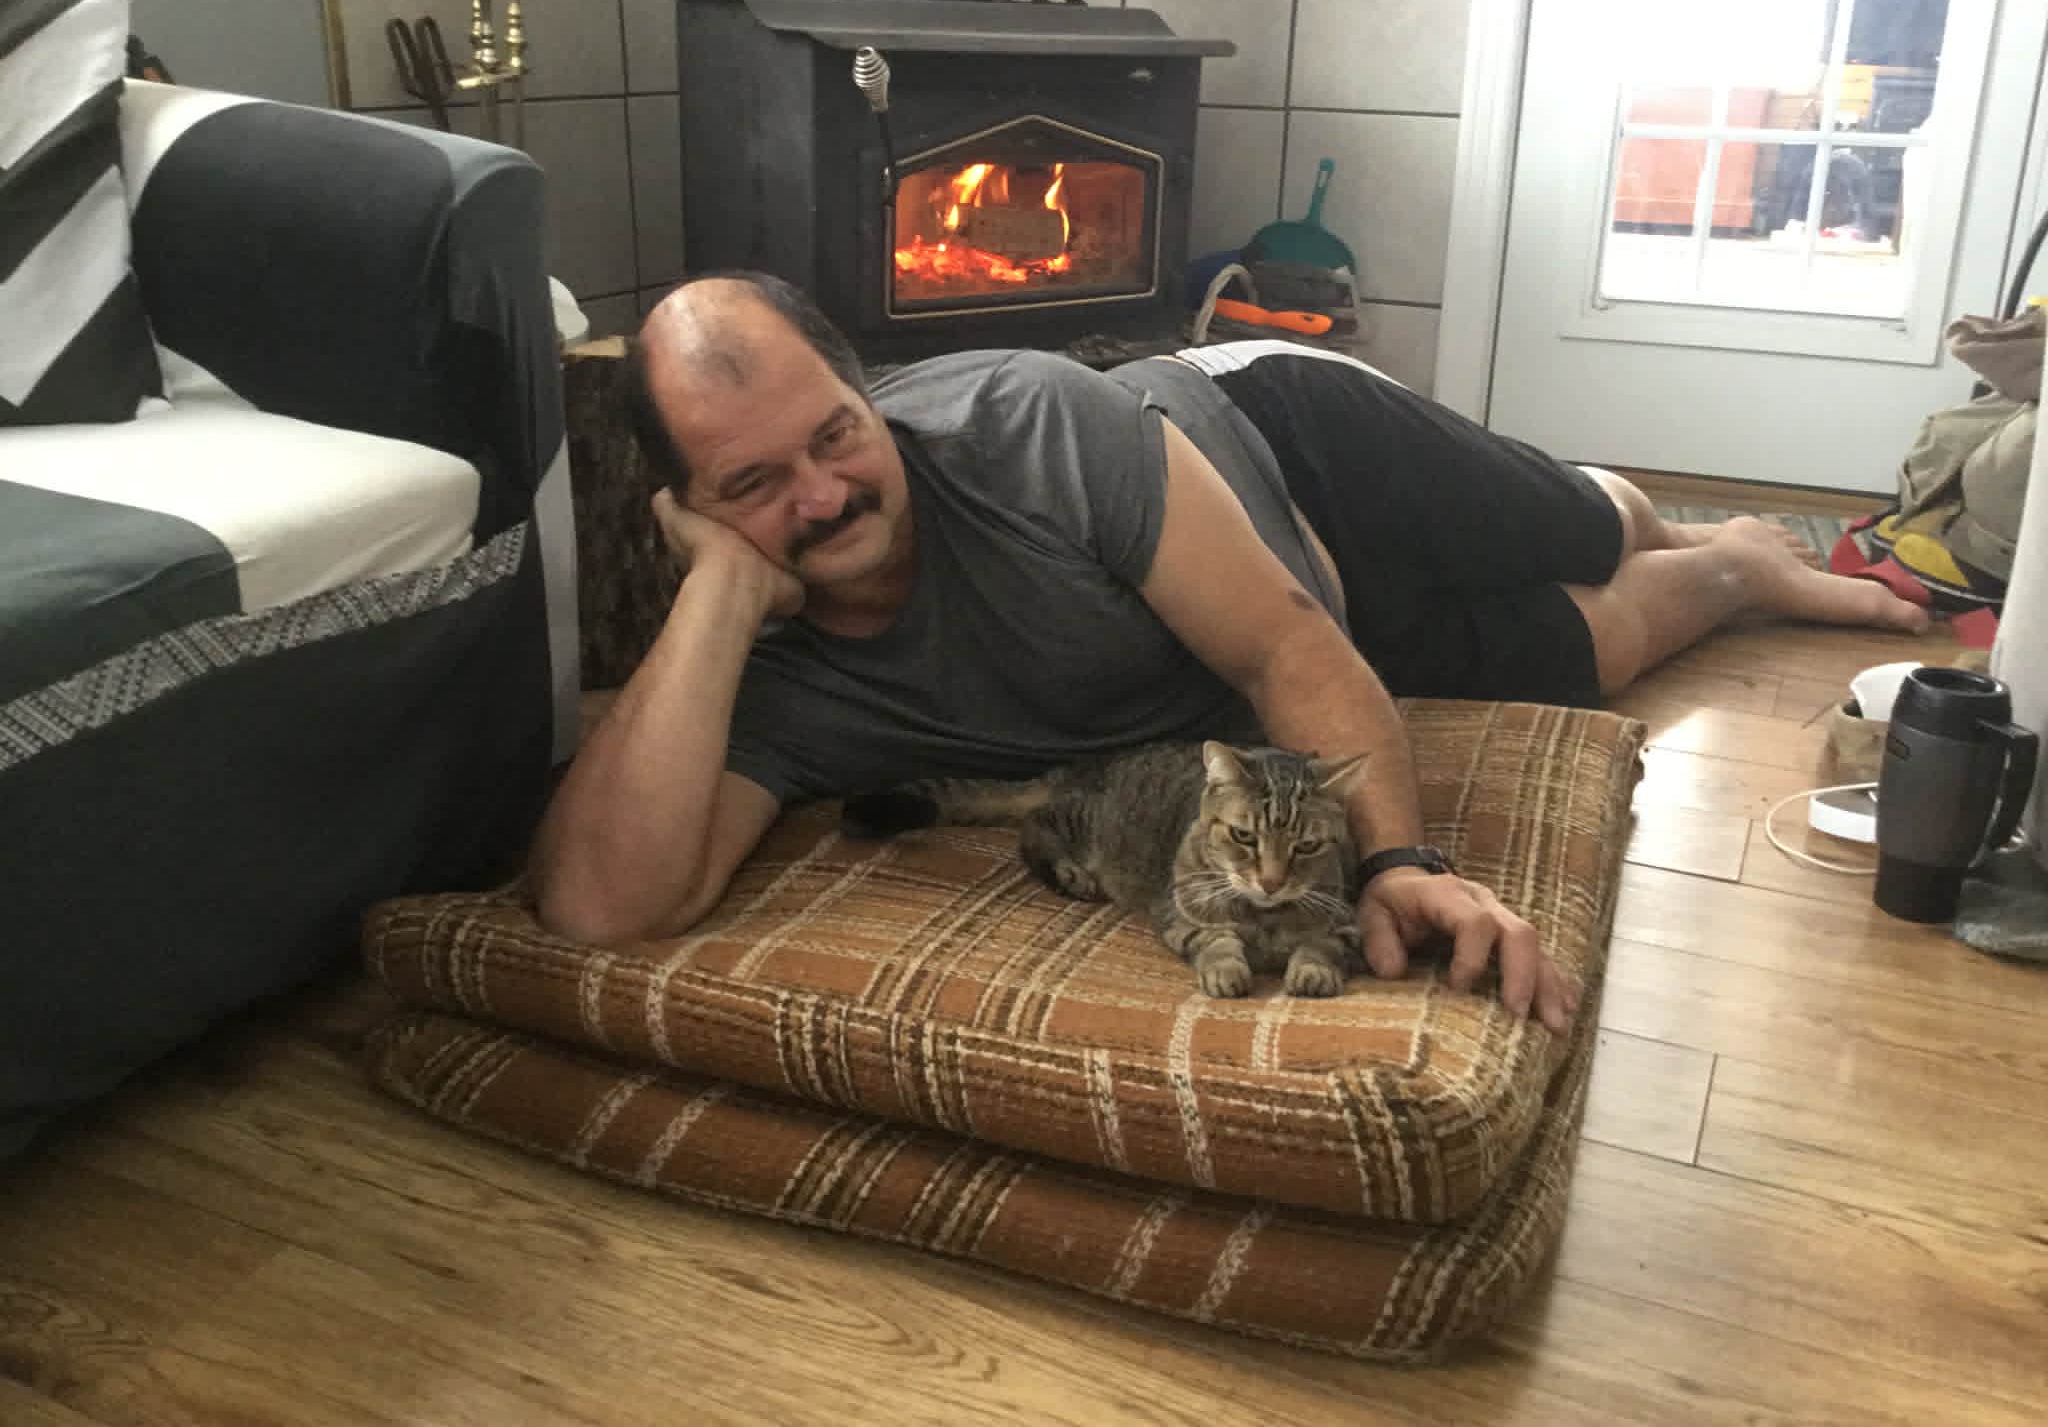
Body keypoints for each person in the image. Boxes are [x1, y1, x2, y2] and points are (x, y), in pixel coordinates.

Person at [531, 272, 1928, 1035]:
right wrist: (717, 596)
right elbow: (599, 904)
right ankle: (1743, 562)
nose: (823, 496)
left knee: (1578, 519)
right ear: (684, 512)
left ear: (871, 396)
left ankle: (1654, 502)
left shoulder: (1025, 426)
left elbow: (1280, 645)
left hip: (1285, 446)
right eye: (752, 486)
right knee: (1584, 653)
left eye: (837, 432)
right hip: (1317, 641)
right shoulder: (766, 669)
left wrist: (1397, 864)